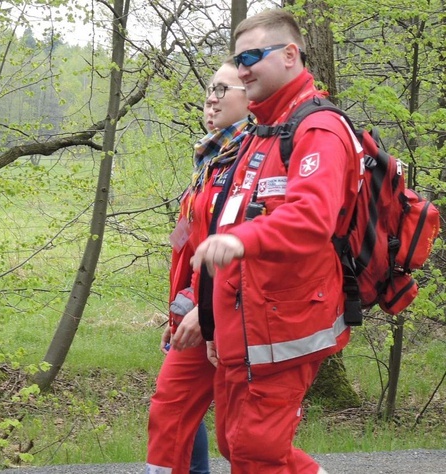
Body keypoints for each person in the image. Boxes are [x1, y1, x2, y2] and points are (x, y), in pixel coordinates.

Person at [190, 9, 363, 474]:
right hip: (239, 328)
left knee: (254, 449)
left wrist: (244, 240)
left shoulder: (318, 129)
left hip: (284, 326)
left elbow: (310, 217)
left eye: (251, 56)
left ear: (290, 55)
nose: (242, 68)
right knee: (234, 443)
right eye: (236, 58)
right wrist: (213, 325)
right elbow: (225, 223)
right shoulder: (261, 132)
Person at [146, 60, 251, 474]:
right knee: (174, 408)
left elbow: (235, 246)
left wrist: (203, 312)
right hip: (197, 308)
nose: (211, 98)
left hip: (231, 312)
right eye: (210, 88)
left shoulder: (248, 158)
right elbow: (187, 244)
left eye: (224, 90)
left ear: (251, 97)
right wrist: (178, 312)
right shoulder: (210, 160)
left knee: (239, 437)